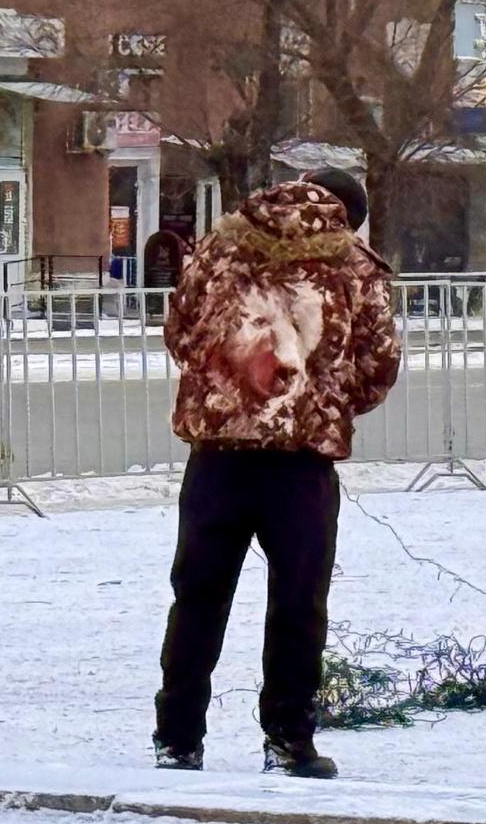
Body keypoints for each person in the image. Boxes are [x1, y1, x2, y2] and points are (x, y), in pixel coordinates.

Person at [153, 170, 401, 777]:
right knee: (298, 601)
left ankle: (177, 738)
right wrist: (322, 400)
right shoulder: (355, 264)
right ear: (351, 215)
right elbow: (379, 363)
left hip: (218, 454)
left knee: (199, 597)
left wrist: (223, 392)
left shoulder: (218, 245)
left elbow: (180, 332)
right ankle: (289, 741)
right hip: (301, 460)